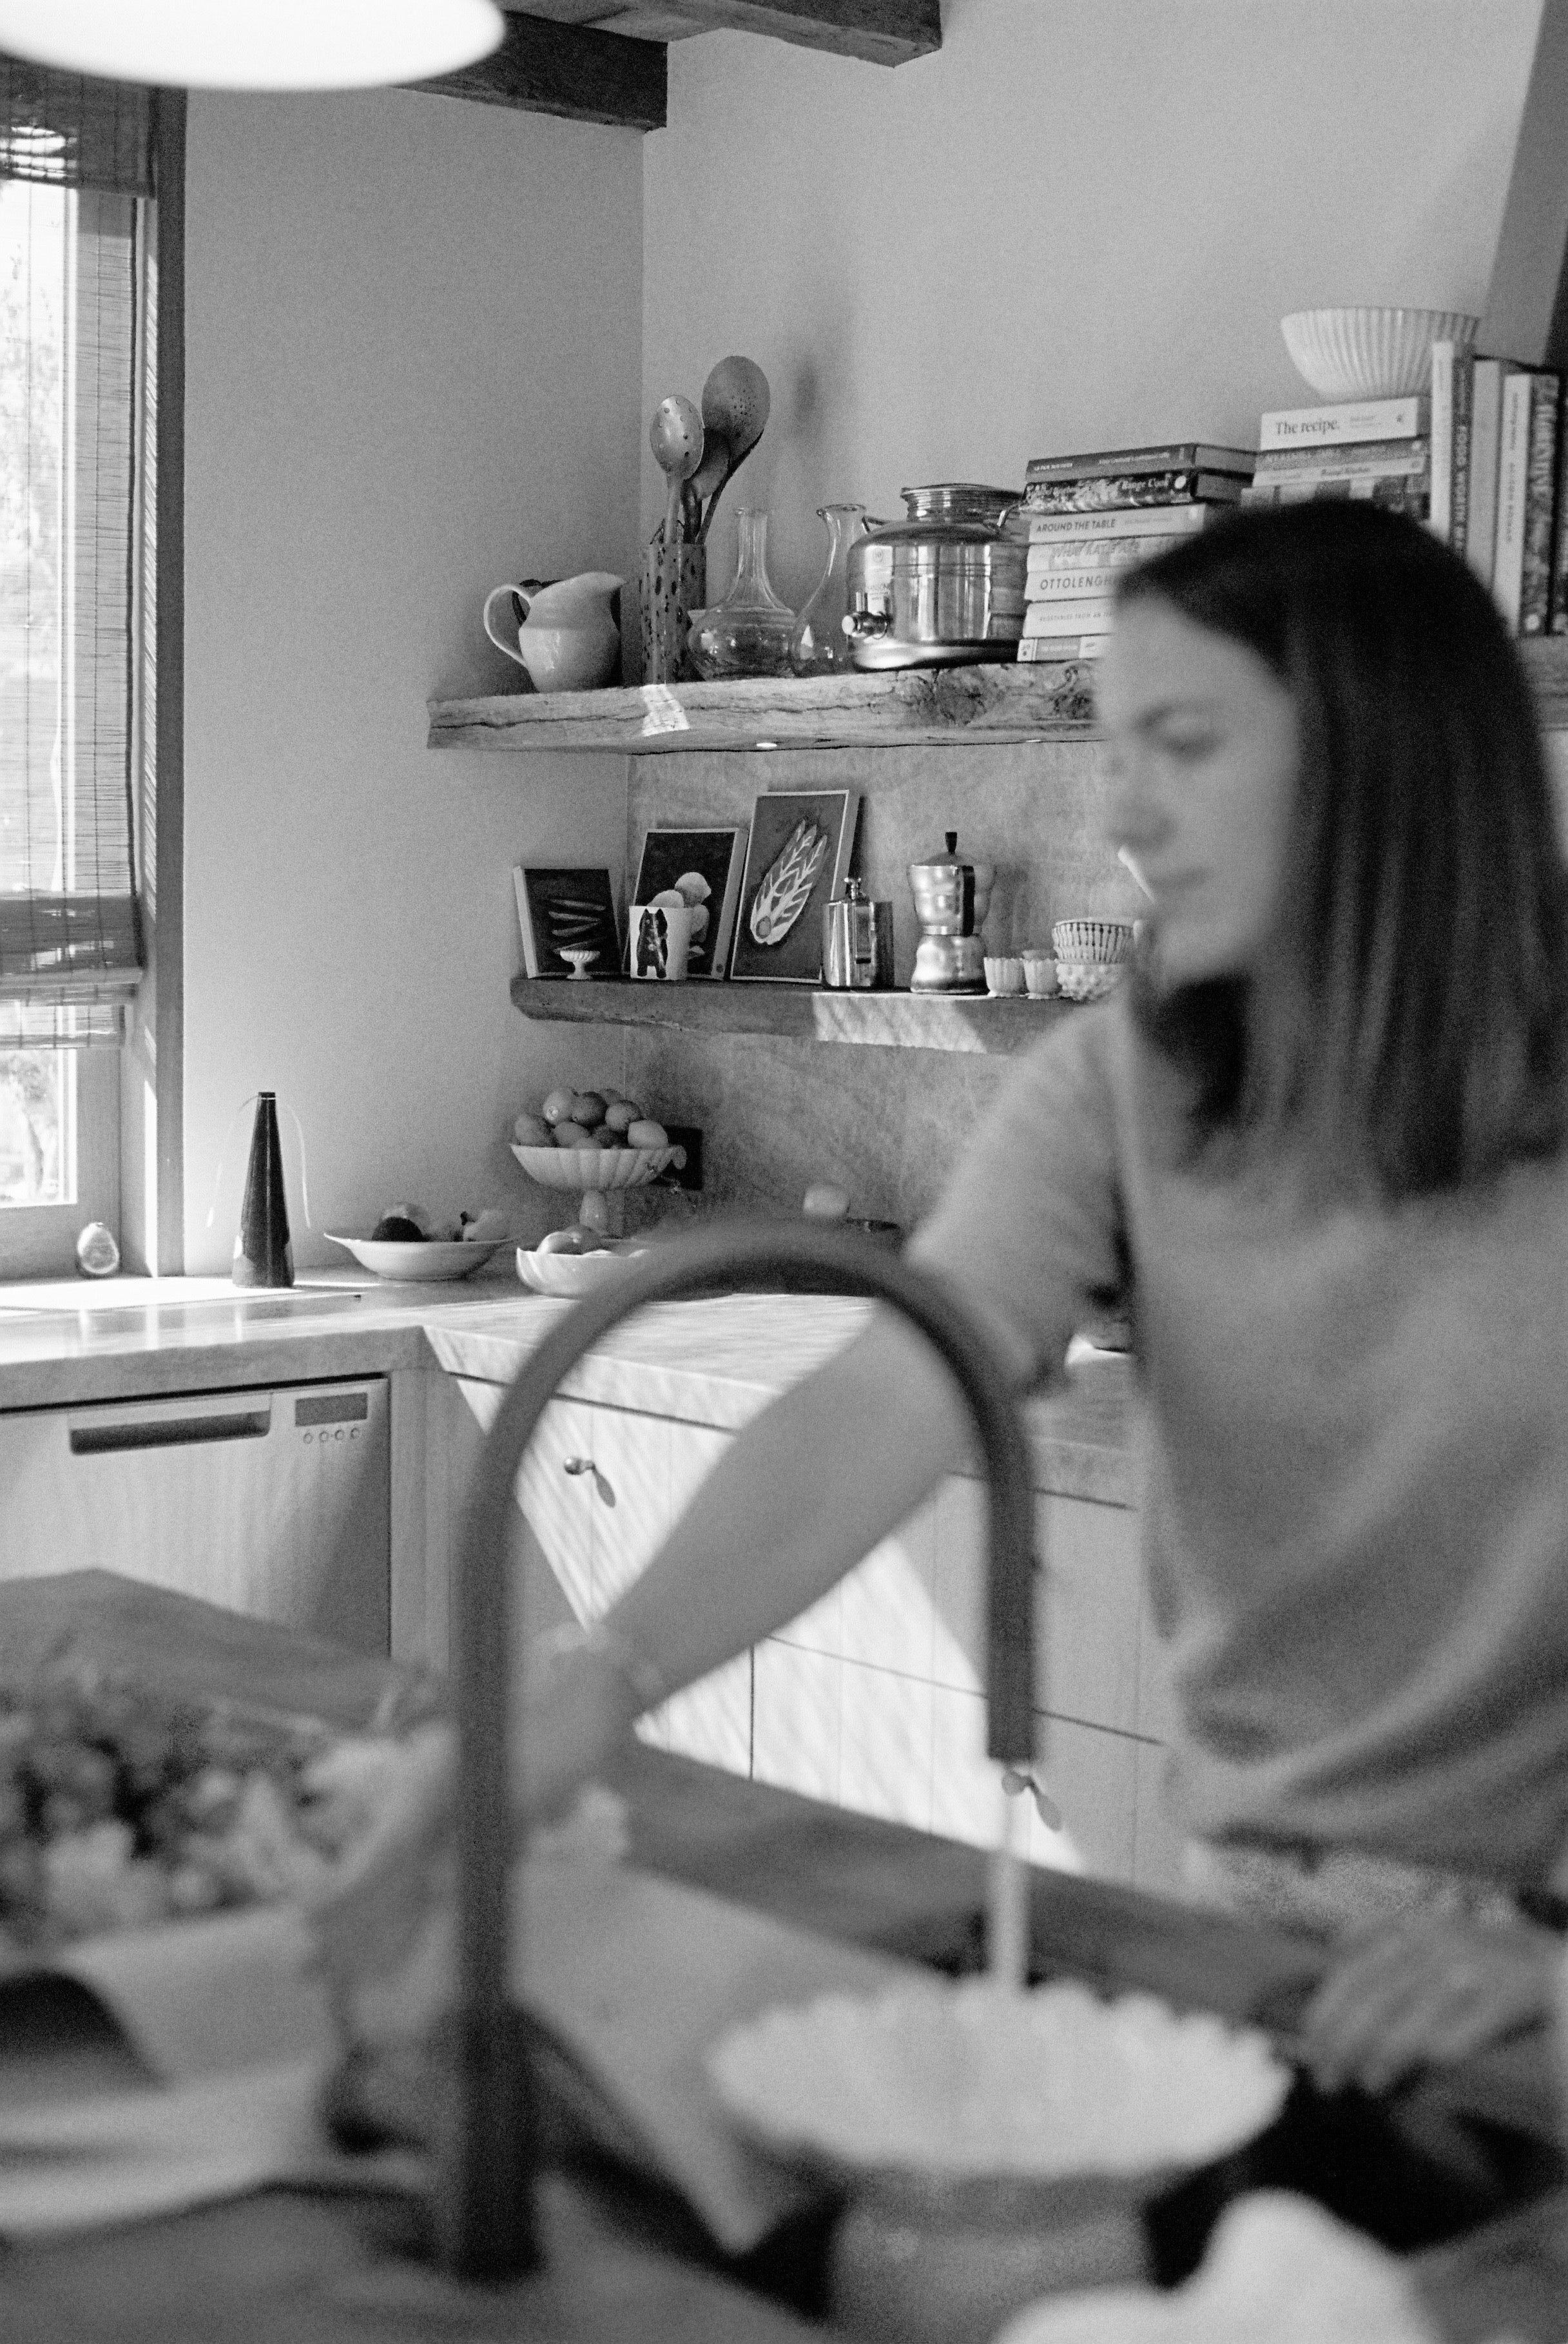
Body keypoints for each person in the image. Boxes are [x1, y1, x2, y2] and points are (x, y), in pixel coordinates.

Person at [315, 500, 1568, 2097]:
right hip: (1266, 1930)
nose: (1125, 811)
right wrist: (589, 1689)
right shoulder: (1134, 1085)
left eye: (1180, 743)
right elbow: (893, 1386)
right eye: (1114, 751)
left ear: (1377, 760)